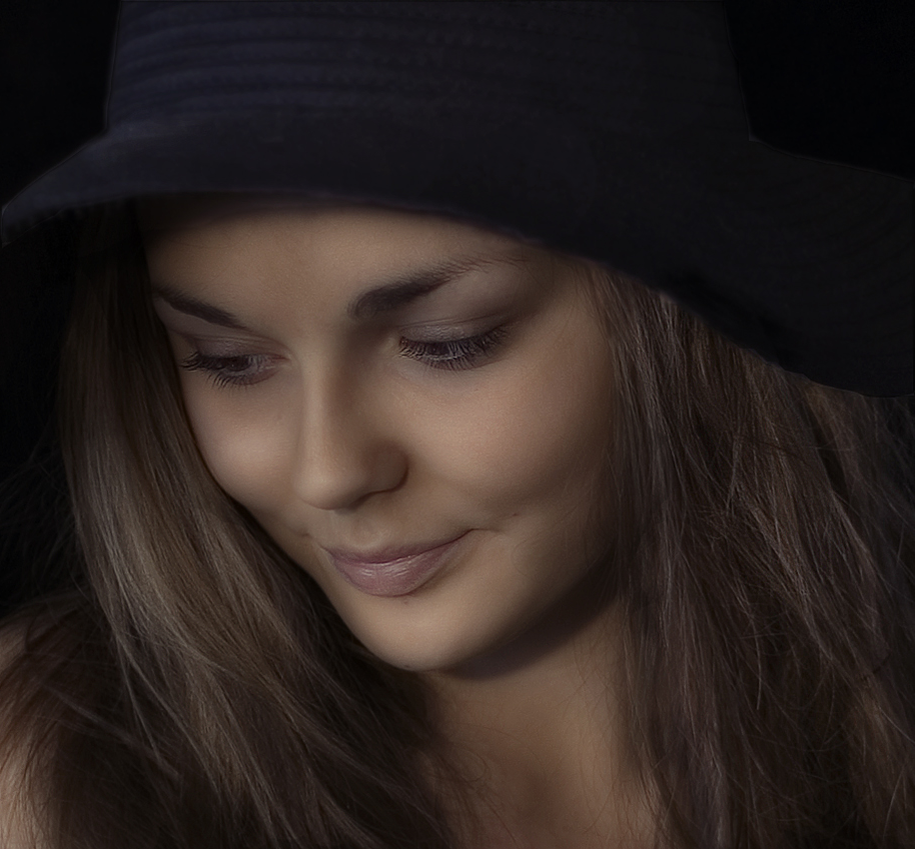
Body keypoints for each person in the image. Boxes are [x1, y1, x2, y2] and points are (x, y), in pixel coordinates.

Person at [0, 4, 913, 848]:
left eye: (447, 343)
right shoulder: (44, 762)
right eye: (229, 359)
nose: (328, 470)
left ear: (676, 317)